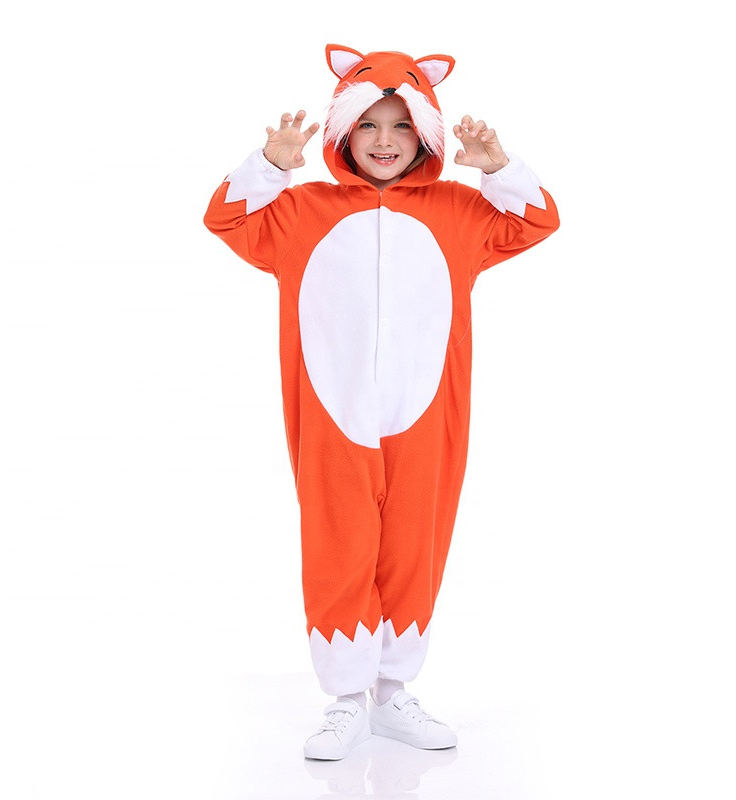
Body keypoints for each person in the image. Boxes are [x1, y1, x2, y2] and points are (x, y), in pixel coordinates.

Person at [204, 43, 559, 761]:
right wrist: (271, 165)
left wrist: (496, 168)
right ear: (341, 132)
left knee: (414, 541)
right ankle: (345, 697)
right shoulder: (300, 211)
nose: (385, 140)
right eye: (367, 124)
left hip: (425, 410)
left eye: (402, 125)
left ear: (426, 134)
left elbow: (534, 222)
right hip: (332, 412)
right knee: (336, 539)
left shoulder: (459, 210)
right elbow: (228, 220)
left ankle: (393, 693)